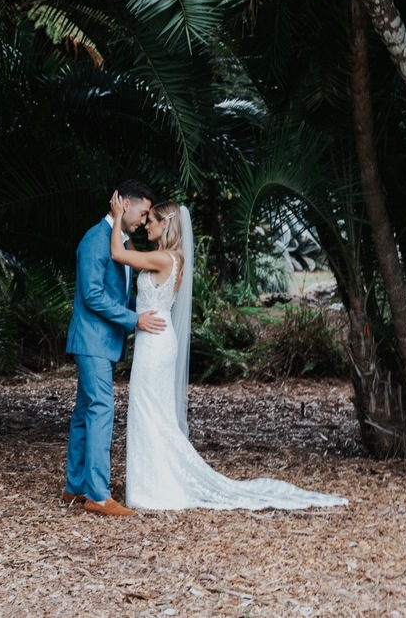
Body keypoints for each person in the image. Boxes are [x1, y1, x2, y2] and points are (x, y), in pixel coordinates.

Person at [110, 194, 348, 512]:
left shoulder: (165, 259)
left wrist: (116, 216)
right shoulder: (170, 257)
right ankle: (153, 483)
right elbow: (131, 256)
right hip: (156, 336)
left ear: (165, 225)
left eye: (151, 220)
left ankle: (153, 488)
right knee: (153, 412)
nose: (147, 225)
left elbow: (117, 253)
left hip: (154, 342)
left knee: (149, 411)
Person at [63, 180, 167, 516]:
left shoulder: (120, 241)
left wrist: (144, 308)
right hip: (93, 340)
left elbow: (118, 291)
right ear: (122, 203)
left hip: (101, 342)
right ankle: (98, 495)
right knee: (101, 411)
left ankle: (74, 487)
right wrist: (134, 319)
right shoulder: (96, 239)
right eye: (142, 212)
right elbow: (93, 295)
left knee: (84, 413)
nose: (142, 220)